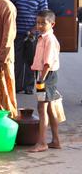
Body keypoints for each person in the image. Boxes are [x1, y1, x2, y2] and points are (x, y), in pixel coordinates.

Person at [29, 10, 62, 152]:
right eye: (38, 23)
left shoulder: (49, 39)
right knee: (49, 108)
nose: (40, 26)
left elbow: (47, 63)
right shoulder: (42, 37)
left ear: (52, 24)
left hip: (46, 77)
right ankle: (55, 140)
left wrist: (41, 80)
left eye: (43, 23)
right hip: (45, 76)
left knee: (41, 109)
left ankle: (42, 142)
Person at [12, 0, 48, 94]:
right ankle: (17, 86)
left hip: (33, 35)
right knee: (17, 61)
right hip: (18, 34)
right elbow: (12, 12)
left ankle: (28, 87)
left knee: (31, 61)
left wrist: (34, 30)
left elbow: (44, 16)